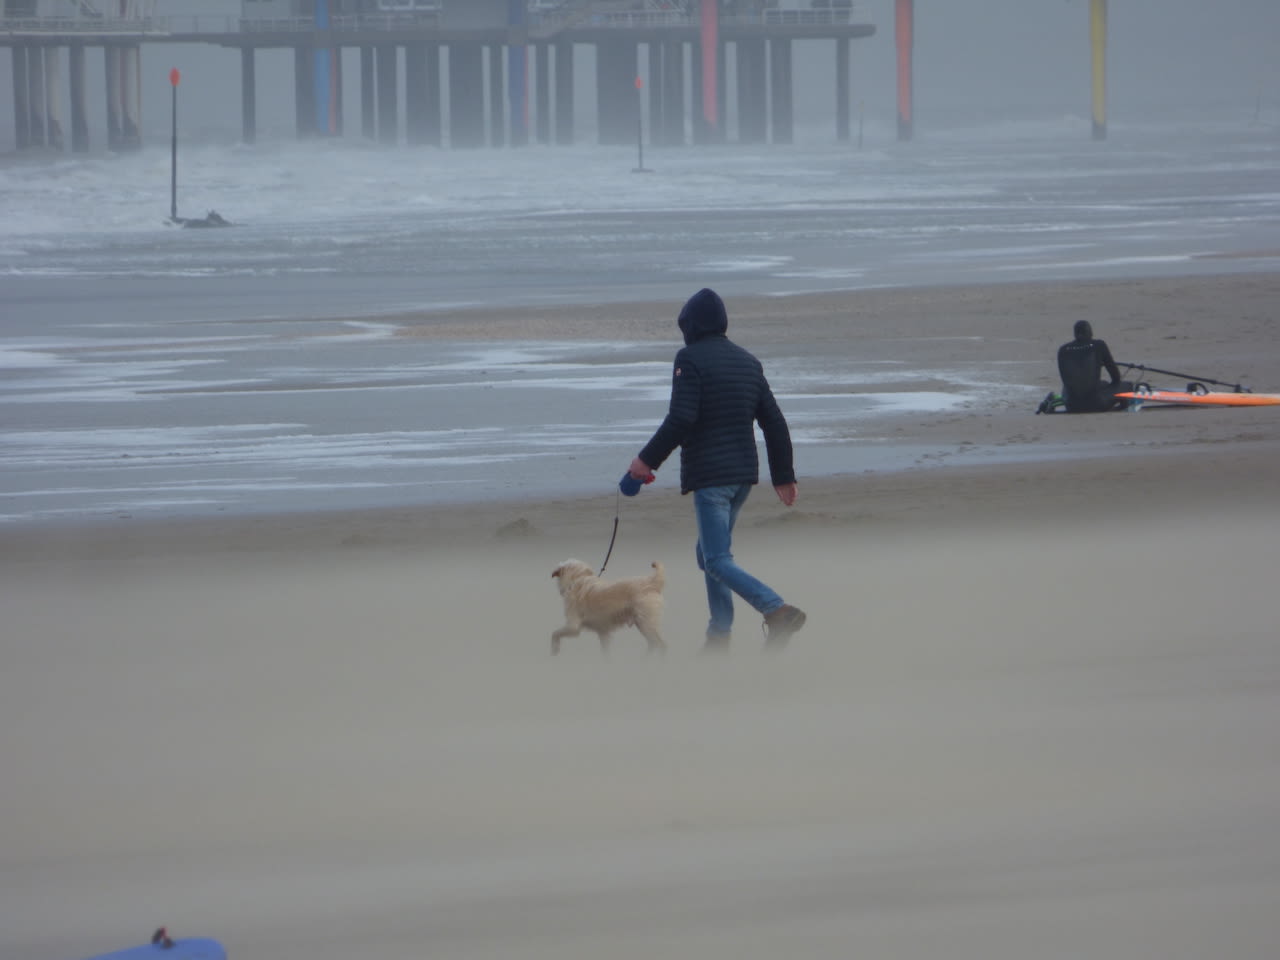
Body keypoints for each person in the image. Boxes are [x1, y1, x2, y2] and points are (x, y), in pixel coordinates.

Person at [627, 288, 806, 651]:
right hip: (741, 478)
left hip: (712, 478)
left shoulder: (689, 359)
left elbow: (681, 418)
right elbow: (774, 422)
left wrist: (644, 462)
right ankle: (719, 634)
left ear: (690, 326)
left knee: (717, 560)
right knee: (708, 556)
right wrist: (783, 476)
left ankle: (776, 610)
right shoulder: (747, 361)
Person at [1056, 320, 1133, 412]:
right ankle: (1125, 404)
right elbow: (1116, 378)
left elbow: (1067, 380)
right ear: (1090, 333)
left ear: (1075, 334)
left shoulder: (1063, 350)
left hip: (1072, 406)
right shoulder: (1099, 345)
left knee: (1068, 388)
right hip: (1096, 404)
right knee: (1127, 386)